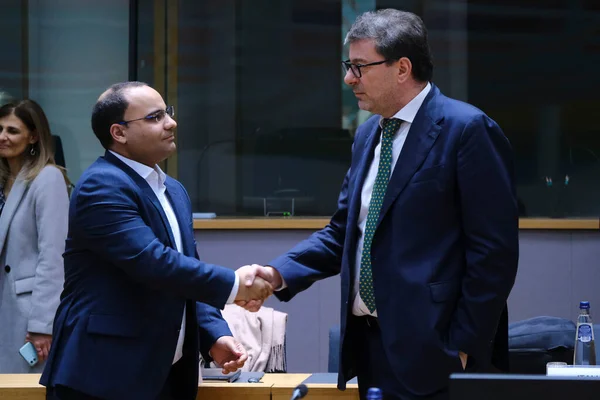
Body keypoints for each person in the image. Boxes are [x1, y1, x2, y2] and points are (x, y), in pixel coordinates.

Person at [241, 9, 519, 400]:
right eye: (348, 66)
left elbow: (494, 254)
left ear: (402, 68)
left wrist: (463, 348)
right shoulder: (369, 134)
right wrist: (276, 274)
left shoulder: (467, 130)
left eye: (359, 67)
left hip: (439, 352)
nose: (348, 79)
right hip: (371, 349)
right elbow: (345, 232)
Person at [40, 81, 273, 400]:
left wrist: (213, 335)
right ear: (118, 133)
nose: (171, 123)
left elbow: (186, 269)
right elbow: (153, 262)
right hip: (103, 374)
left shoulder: (173, 190)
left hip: (167, 374)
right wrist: (235, 285)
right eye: (154, 117)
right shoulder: (101, 186)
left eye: (168, 113)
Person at [0, 99, 70, 373]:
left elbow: (53, 258)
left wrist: (43, 324)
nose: (3, 137)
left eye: (12, 131)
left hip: (27, 314)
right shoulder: (4, 181)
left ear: (33, 136)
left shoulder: (48, 178)